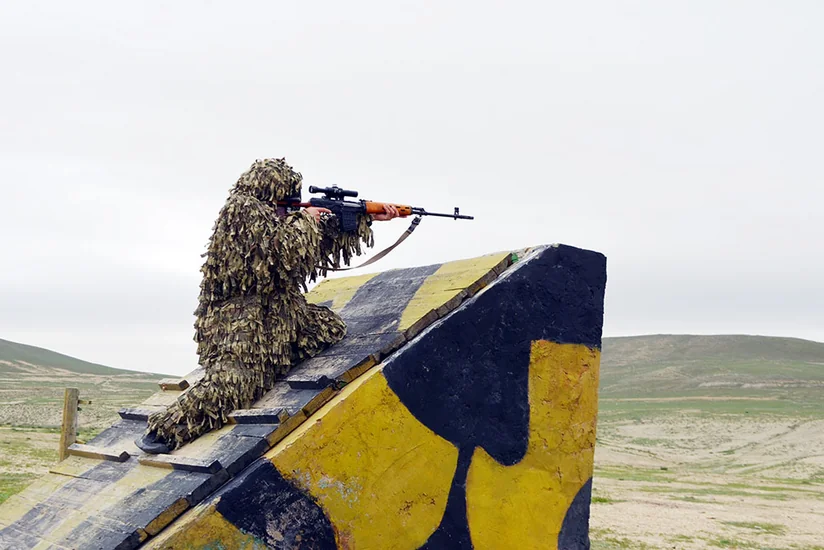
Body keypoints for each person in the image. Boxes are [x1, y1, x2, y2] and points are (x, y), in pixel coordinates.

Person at [137, 158, 399, 453]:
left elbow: (307, 251)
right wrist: (307, 219)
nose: (290, 209)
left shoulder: (274, 218)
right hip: (239, 323)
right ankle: (165, 430)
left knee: (328, 327)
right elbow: (281, 254)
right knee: (238, 382)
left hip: (281, 315)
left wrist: (365, 219)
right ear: (269, 190)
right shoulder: (242, 211)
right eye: (285, 201)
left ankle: (275, 362)